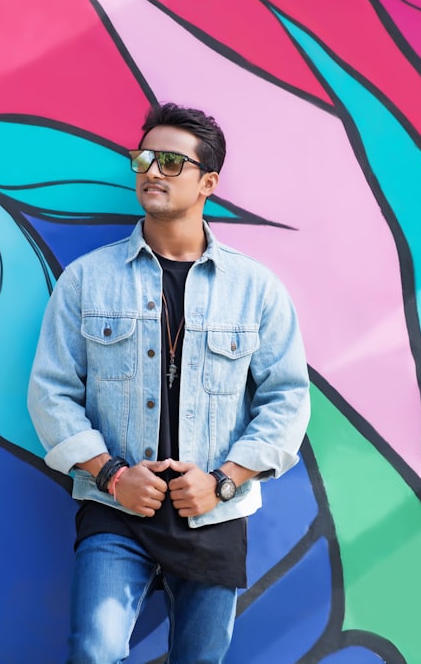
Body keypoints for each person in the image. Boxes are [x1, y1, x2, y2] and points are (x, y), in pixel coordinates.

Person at [27, 102, 311, 663]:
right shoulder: (87, 280)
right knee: (94, 650)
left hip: (214, 512)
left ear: (208, 182)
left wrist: (223, 482)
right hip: (117, 508)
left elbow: (287, 400)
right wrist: (110, 475)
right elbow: (51, 392)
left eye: (171, 162)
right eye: (144, 158)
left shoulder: (256, 289)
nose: (152, 171)